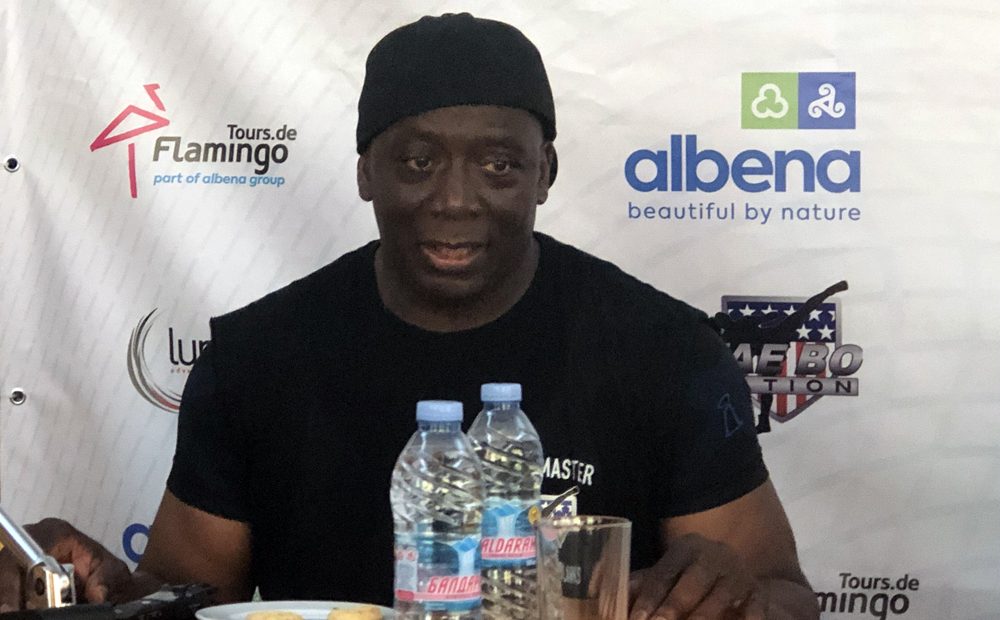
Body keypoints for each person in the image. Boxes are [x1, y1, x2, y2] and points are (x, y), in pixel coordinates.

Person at [0, 13, 819, 619]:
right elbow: (184, 597)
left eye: (499, 164)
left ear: (546, 172)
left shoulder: (665, 351)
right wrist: (86, 585)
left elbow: (786, 596)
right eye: (418, 161)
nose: (455, 200)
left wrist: (740, 595)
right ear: (366, 172)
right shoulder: (256, 357)